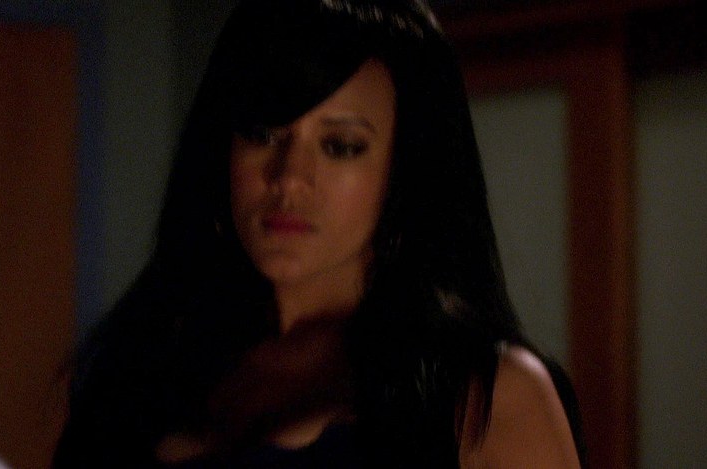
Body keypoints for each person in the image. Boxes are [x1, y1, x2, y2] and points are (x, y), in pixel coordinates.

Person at [54, 0, 585, 467]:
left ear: (404, 171)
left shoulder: (487, 396)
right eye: (263, 133)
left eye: (340, 146)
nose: (288, 177)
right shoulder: (136, 367)